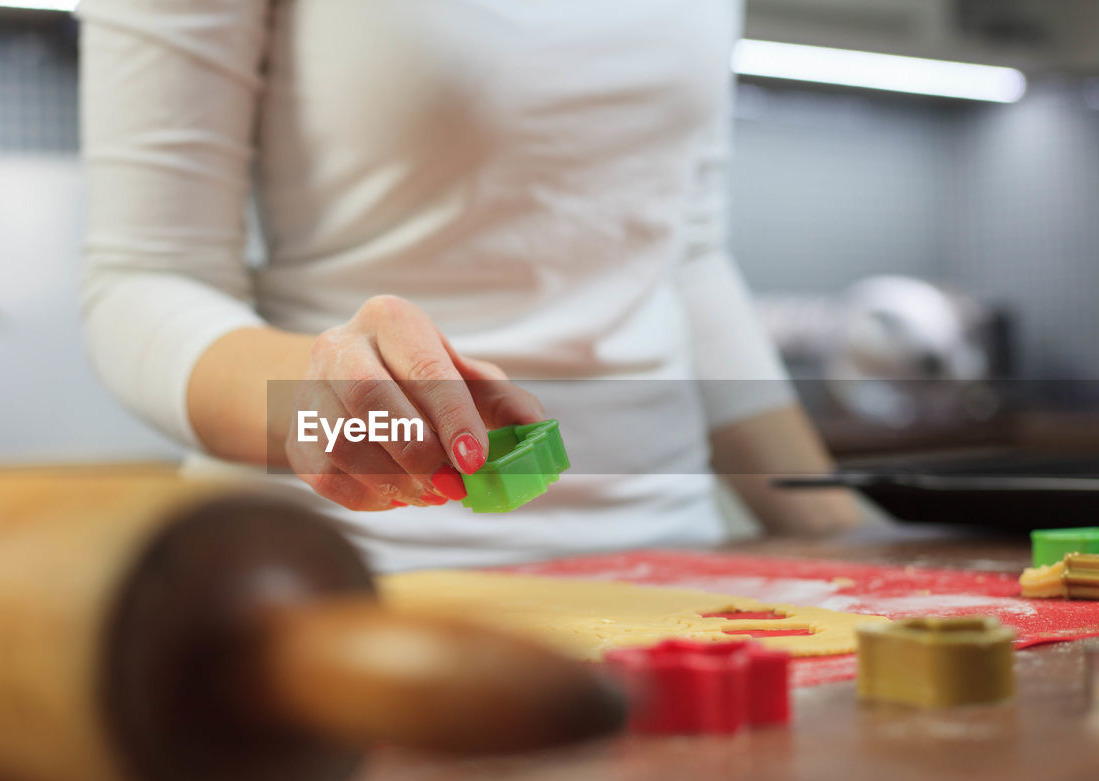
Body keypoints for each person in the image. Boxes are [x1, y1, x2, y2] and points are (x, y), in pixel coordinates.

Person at [77, 0, 860, 571]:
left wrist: (846, 529)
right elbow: (144, 278)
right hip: (347, 577)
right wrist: (318, 399)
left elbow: (681, 255)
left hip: (675, 573)